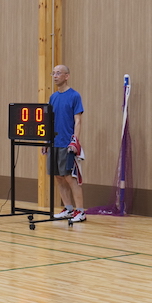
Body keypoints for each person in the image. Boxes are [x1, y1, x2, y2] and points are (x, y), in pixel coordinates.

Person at [49, 65, 86, 223]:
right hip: (54, 143)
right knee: (58, 177)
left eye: (58, 73)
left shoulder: (74, 96)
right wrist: (46, 141)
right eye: (53, 73)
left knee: (70, 177)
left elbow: (78, 121)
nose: (55, 76)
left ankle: (80, 211)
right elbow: (49, 121)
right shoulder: (53, 97)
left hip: (67, 143)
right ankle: (68, 209)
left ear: (67, 76)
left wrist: (74, 141)